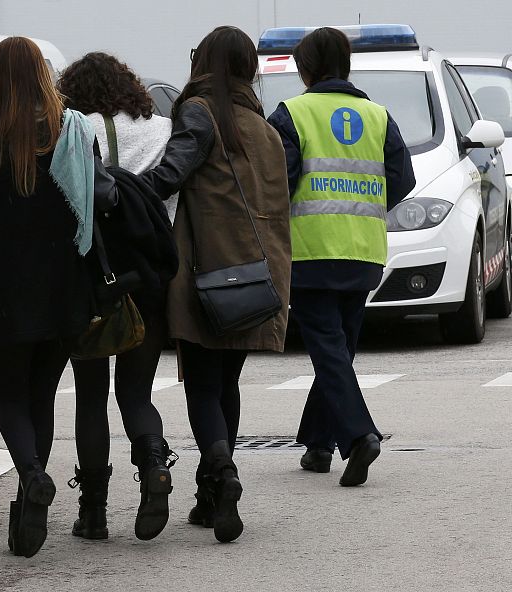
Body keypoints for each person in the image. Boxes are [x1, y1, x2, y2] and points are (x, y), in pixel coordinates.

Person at [140, 26, 292, 543]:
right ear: (248, 68)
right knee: (226, 383)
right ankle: (210, 496)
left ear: (204, 62)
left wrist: (123, 186)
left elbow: (170, 175)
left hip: (207, 275)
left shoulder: (201, 113)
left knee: (202, 385)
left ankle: (224, 474)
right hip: (256, 277)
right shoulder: (265, 128)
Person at [267, 27, 415, 486]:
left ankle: (358, 436)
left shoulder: (292, 114)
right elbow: (402, 179)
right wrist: (363, 207)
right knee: (338, 351)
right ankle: (318, 444)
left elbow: (279, 182)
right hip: (364, 250)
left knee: (329, 350)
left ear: (305, 68)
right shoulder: (378, 116)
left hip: (311, 250)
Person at [0, 36, 96, 558]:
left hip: (9, 289)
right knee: (41, 395)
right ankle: (27, 510)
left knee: (10, 395)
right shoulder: (73, 133)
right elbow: (87, 203)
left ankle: (32, 476)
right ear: (43, 73)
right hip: (66, 284)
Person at [55, 52, 176, 542]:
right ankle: (154, 468)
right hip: (149, 273)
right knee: (136, 390)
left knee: (90, 396)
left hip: (95, 277)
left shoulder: (74, 129)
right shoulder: (161, 129)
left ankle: (94, 511)